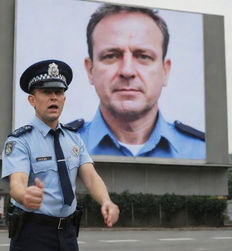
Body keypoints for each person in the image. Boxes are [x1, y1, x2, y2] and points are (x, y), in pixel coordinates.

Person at [1, 59, 119, 251]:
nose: (53, 98)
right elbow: (17, 183)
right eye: (46, 92)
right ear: (32, 100)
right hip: (33, 234)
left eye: (58, 92)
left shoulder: (74, 139)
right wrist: (25, 195)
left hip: (68, 234)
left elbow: (90, 176)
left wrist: (106, 201)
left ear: (64, 99)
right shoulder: (21, 141)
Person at [76, 4, 205, 159]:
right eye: (111, 56)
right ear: (90, 70)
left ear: (165, 71)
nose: (127, 71)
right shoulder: (56, 147)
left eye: (143, 56)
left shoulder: (202, 151)